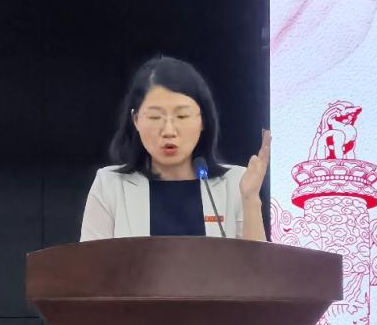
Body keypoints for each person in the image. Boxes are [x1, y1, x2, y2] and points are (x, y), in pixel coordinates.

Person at [80, 56, 270, 241]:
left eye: (182, 116)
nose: (169, 131)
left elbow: (256, 262)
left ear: (203, 120)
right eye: (155, 117)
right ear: (136, 120)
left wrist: (250, 199)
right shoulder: (109, 186)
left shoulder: (236, 183)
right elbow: (90, 261)